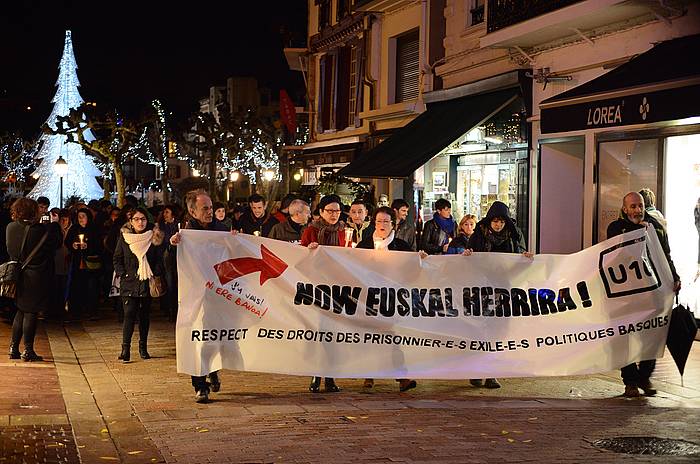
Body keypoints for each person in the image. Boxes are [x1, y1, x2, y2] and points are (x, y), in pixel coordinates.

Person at [607, 191, 681, 398]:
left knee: (652, 334)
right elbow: (614, 253)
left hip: (651, 291)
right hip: (626, 294)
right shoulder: (616, 228)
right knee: (625, 336)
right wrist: (635, 235)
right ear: (624, 209)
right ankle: (630, 381)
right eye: (632, 206)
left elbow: (666, 254)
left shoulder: (655, 227)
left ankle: (644, 377)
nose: (637, 210)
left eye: (640, 206)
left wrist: (674, 276)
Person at [169, 189, 236, 403]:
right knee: (196, 337)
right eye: (205, 208)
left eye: (211, 207)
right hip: (194, 297)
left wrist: (236, 242)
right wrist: (173, 247)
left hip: (218, 296)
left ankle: (213, 370)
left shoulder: (223, 230)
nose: (210, 212)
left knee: (214, 338)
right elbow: (171, 265)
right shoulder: (184, 234)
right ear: (192, 211)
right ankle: (199, 385)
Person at [467, 201, 532, 389]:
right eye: (495, 221)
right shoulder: (480, 232)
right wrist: (467, 256)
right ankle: (476, 371)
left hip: (504, 289)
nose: (498, 225)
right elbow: (471, 256)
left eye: (501, 222)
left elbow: (519, 254)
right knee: (479, 331)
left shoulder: (514, 233)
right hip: (482, 289)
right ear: (489, 221)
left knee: (498, 332)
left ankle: (491, 373)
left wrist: (525, 258)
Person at [356, 206, 419, 392]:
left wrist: (421, 259)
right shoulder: (364, 245)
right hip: (368, 298)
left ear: (394, 224)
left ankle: (401, 376)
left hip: (392, 299)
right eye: (378, 221)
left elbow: (413, 268)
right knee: (370, 338)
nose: (382, 225)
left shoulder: (401, 246)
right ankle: (370, 376)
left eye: (386, 221)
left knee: (391, 337)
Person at [300, 194, 348, 393]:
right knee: (319, 332)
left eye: (337, 211)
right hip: (317, 288)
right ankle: (316, 374)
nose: (334, 215)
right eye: (330, 211)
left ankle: (330, 375)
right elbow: (299, 257)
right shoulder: (311, 231)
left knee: (334, 333)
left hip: (339, 288)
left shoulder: (345, 232)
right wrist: (309, 251)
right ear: (320, 212)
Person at [6, 198, 61, 361]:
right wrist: (55, 224)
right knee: (31, 312)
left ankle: (13, 348)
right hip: (36, 276)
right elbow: (55, 245)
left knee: (21, 310)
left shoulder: (10, 227)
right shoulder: (41, 230)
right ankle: (28, 350)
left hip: (17, 274)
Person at [113, 208, 164, 363]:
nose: (140, 222)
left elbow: (158, 260)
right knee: (128, 315)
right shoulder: (125, 238)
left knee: (144, 317)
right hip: (129, 283)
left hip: (146, 282)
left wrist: (153, 273)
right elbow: (117, 258)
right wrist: (123, 274)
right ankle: (125, 349)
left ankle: (143, 348)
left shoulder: (153, 238)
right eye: (136, 219)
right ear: (131, 221)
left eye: (143, 219)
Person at [64, 207, 102, 321]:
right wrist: (73, 245)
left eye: (83, 217)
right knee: (76, 286)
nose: (81, 219)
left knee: (91, 287)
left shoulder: (94, 229)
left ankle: (91, 310)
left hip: (91, 264)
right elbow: (67, 242)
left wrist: (88, 245)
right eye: (79, 217)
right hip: (77, 262)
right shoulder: (74, 228)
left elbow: (99, 245)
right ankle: (76, 310)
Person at [157, 205, 181, 322]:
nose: (165, 214)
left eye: (167, 212)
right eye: (164, 212)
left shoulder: (179, 225)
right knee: (169, 284)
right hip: (166, 260)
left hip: (178, 259)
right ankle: (170, 310)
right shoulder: (161, 227)